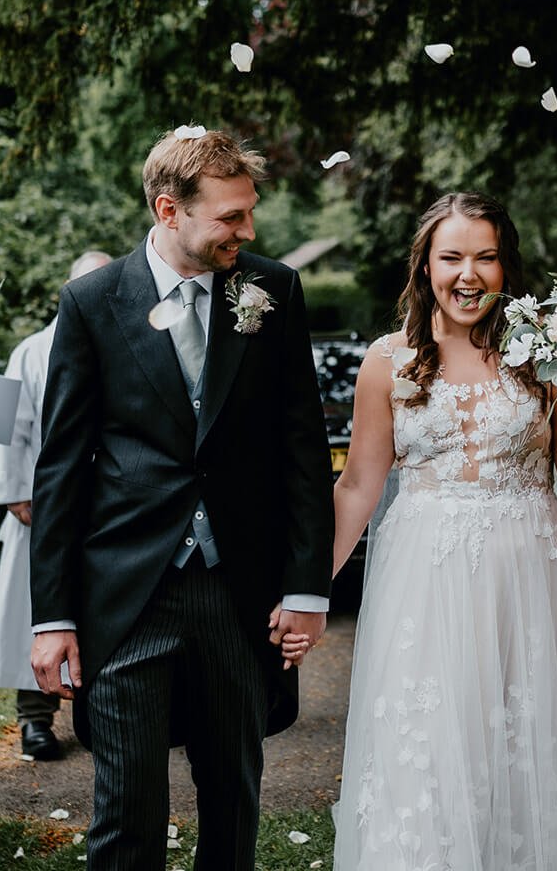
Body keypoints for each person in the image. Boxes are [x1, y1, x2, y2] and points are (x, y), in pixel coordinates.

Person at [29, 128, 333, 870]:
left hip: (240, 592)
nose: (248, 231)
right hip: (129, 593)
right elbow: (61, 465)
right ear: (170, 210)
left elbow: (301, 447)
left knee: (232, 801)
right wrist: (53, 616)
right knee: (127, 809)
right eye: (230, 217)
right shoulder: (93, 303)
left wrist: (305, 588)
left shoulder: (273, 291)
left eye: (248, 212)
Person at [318, 192, 557, 870]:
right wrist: (310, 591)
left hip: (528, 577)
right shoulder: (387, 362)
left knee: (523, 741)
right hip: (425, 582)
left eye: (485, 257)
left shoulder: (548, 355)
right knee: (429, 744)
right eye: (451, 256)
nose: (468, 274)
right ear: (425, 266)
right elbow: (359, 486)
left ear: (506, 268)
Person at [0, 248, 112, 761]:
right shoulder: (29, 349)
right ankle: (35, 718)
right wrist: (13, 490)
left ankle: (104, 713)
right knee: (35, 610)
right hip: (41, 507)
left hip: (108, 508)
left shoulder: (129, 342)